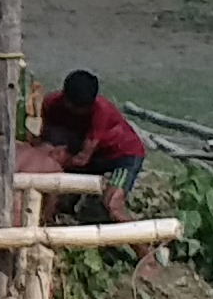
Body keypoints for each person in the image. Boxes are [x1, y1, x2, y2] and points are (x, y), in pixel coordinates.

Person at [41, 69, 147, 217]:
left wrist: (55, 159)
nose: (78, 112)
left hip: (121, 156)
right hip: (89, 156)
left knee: (112, 203)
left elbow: (82, 159)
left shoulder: (101, 112)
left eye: (82, 110)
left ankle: (141, 238)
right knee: (57, 199)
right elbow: (46, 139)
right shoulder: (51, 104)